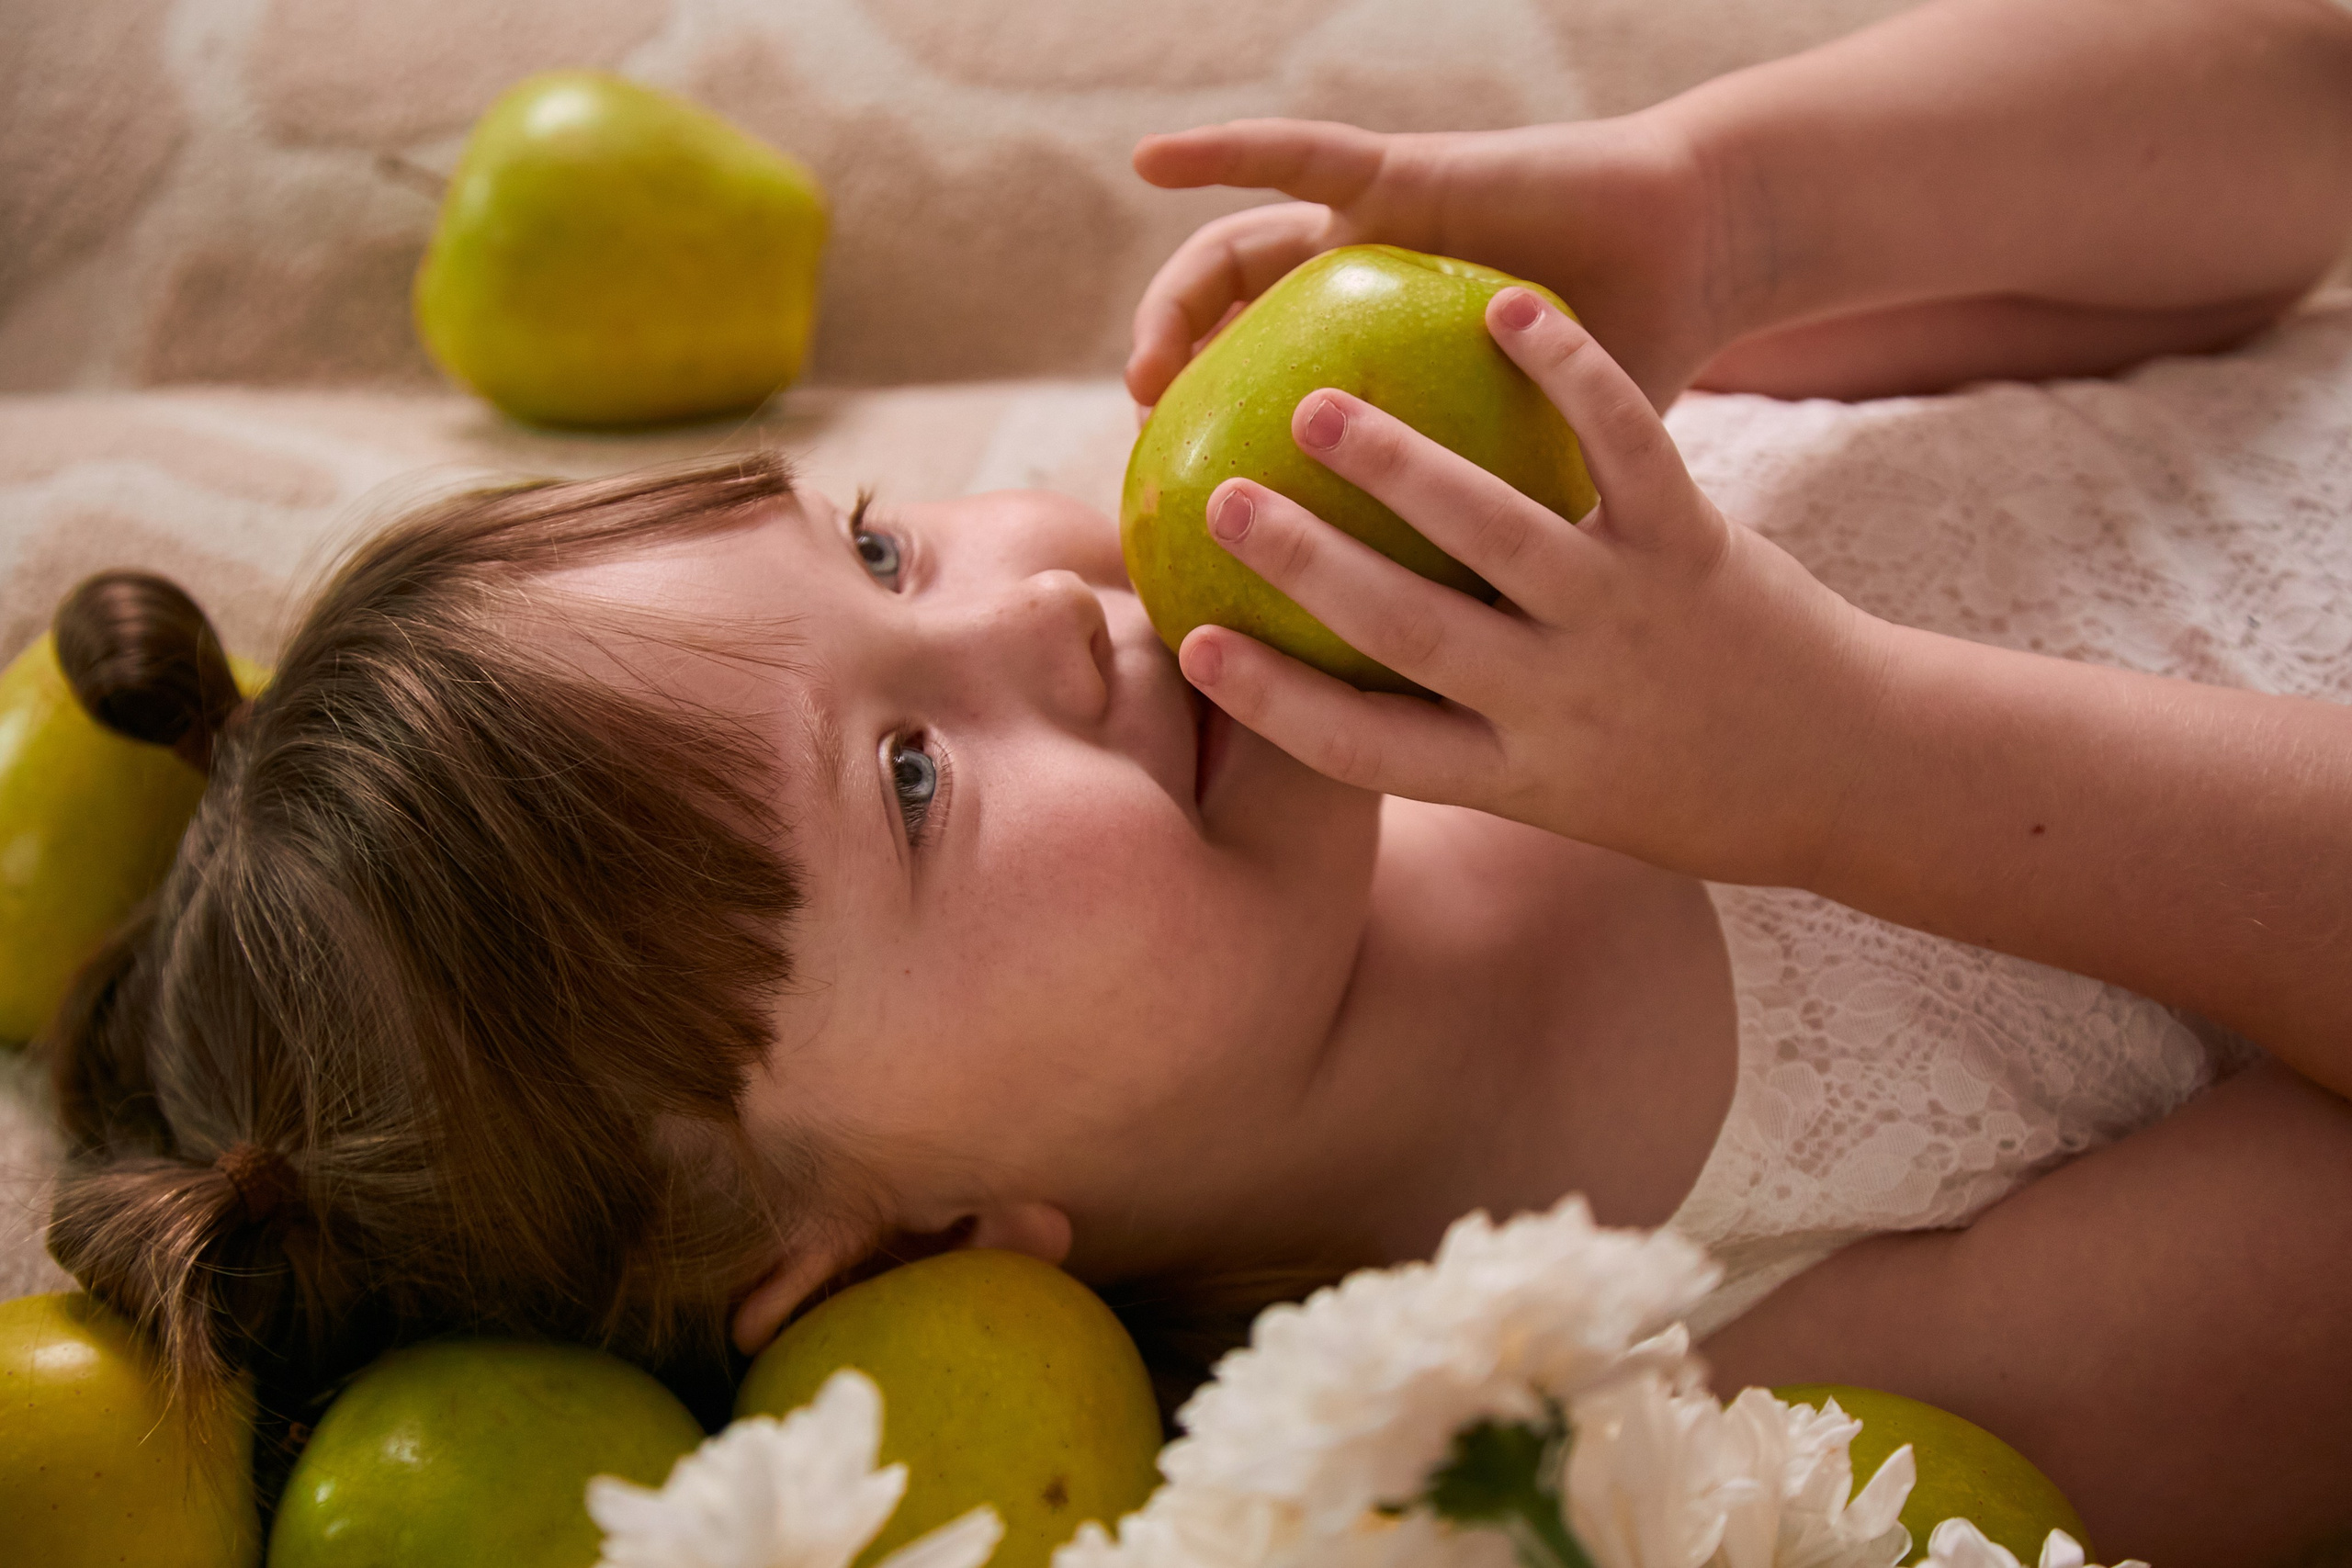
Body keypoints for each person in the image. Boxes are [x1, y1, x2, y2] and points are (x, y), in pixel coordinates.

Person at [37, 0, 2352, 1560]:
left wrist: (1719, 219)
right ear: (897, 1246)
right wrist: (1838, 764)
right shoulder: (1661, 1385)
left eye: (880, 546)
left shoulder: (1458, 510)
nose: (1036, 602)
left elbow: (2286, 137)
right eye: (911, 778)